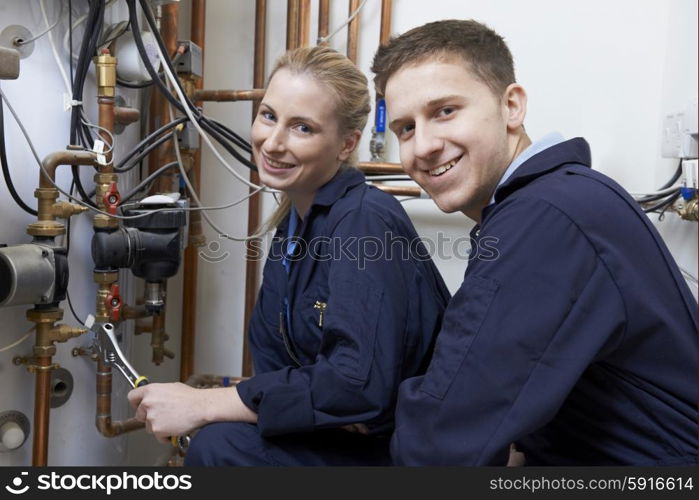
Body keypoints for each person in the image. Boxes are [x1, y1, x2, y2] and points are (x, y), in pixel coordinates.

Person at [371, 19, 698, 465]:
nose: (424, 145)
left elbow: (441, 444)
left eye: (445, 110)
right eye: (406, 129)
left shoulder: (545, 218)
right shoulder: (553, 199)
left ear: (512, 106)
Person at [127, 46, 451, 466]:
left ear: (345, 143)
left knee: (219, 446)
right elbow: (286, 373)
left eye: (302, 128)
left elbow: (357, 385)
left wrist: (205, 404)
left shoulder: (363, 220)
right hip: (346, 437)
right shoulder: (294, 227)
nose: (273, 142)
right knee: (223, 438)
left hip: (401, 450)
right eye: (268, 116)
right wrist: (320, 408)